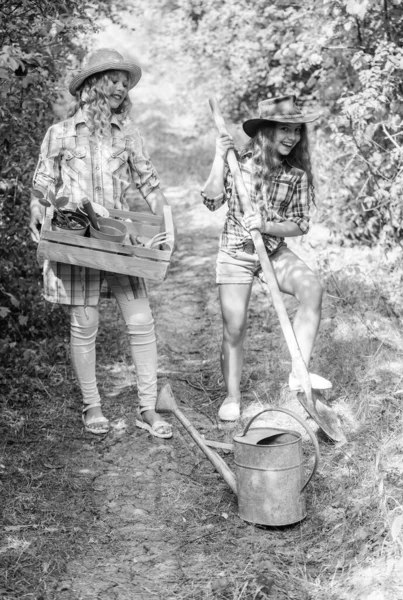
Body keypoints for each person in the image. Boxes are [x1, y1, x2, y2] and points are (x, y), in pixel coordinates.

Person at [29, 48, 173, 438]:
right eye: (115, 80)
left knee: (141, 318)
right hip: (76, 238)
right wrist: (37, 209)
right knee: (85, 320)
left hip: (117, 237)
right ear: (93, 85)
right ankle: (92, 404)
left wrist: (167, 220)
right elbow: (43, 182)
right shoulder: (59, 134)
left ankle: (147, 408)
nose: (122, 88)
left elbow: (150, 183)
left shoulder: (127, 133)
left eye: (125, 83)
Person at [201, 95, 331, 421]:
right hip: (235, 253)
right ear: (267, 130)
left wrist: (267, 224)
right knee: (235, 327)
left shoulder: (296, 174)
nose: (292, 137)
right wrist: (220, 158)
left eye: (296, 130)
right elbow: (211, 200)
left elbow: (300, 224)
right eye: (284, 129)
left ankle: (297, 372)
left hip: (272, 251)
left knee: (312, 288)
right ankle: (232, 397)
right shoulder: (239, 162)